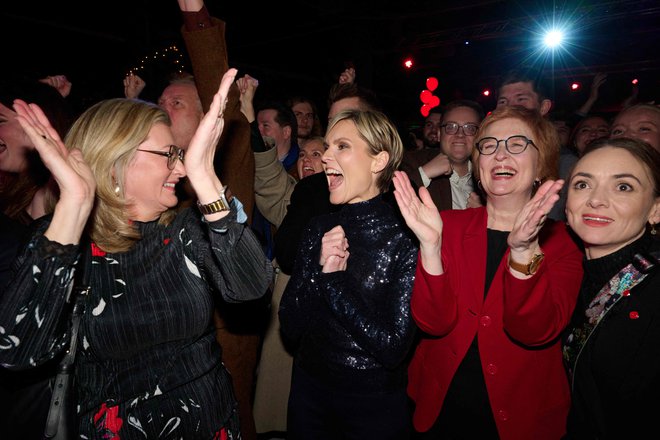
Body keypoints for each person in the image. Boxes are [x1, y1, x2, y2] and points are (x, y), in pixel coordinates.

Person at [0, 69, 272, 439]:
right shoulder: (62, 240)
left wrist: (205, 178)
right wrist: (74, 206)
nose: (179, 166)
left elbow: (253, 288)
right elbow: (18, 351)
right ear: (116, 161)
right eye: (169, 154)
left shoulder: (185, 229)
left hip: (210, 422)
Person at [392, 105, 583, 439]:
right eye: (489, 145)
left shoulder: (562, 242)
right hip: (439, 409)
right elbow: (432, 323)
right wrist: (431, 247)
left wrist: (523, 252)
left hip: (520, 417)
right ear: (478, 165)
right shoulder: (444, 224)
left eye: (516, 144)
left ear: (541, 163)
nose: (500, 154)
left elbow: (534, 331)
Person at [279, 109, 418, 440]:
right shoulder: (320, 227)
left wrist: (333, 282)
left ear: (378, 160)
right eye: (327, 146)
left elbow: (392, 348)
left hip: (373, 407)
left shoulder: (407, 238)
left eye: (341, 146)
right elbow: (290, 324)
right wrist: (318, 272)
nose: (326, 157)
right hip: (308, 393)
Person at [562, 137, 660, 439]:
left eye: (623, 187)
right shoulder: (566, 270)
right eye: (582, 184)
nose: (596, 200)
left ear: (655, 210)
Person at [400, 99, 485, 210]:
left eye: (470, 128)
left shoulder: (487, 174)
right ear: (439, 134)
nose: (460, 134)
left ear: (479, 136)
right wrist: (424, 173)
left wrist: (483, 216)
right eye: (451, 127)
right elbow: (387, 206)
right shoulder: (412, 162)